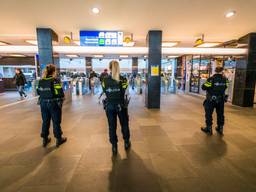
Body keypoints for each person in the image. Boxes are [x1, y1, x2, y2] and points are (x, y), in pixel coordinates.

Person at [102, 60, 131, 155]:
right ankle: (126, 142)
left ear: (109, 68)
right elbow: (127, 94)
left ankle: (114, 146)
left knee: (112, 126)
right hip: (121, 106)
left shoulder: (104, 80)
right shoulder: (123, 79)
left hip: (109, 106)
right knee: (124, 124)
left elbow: (104, 94)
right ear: (118, 68)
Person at [37, 64, 67, 147]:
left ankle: (45, 139)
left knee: (45, 121)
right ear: (54, 71)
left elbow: (38, 92)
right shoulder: (54, 80)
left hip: (43, 103)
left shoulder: (41, 81)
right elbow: (59, 92)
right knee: (56, 121)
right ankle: (58, 139)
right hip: (53, 103)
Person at [201, 66, 229, 135]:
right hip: (221, 100)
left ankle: (209, 128)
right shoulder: (225, 80)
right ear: (222, 71)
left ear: (215, 71)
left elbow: (204, 87)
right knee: (220, 114)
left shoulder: (211, 79)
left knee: (209, 114)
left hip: (211, 100)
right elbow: (226, 87)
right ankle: (220, 128)